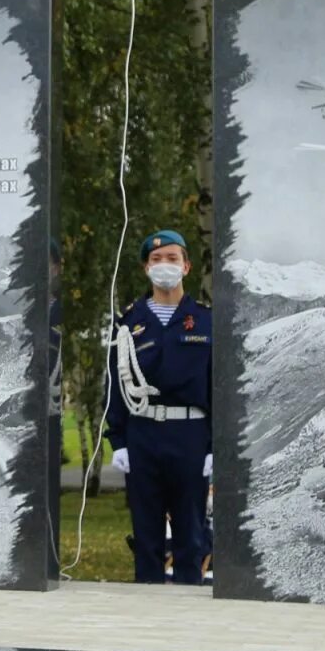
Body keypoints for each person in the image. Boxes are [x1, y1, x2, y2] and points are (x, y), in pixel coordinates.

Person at [104, 230, 213, 585]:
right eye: (156, 259)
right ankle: (146, 623)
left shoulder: (207, 320)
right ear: (145, 268)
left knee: (191, 537)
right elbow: (115, 384)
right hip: (144, 434)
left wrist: (214, 446)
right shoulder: (129, 323)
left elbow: (218, 385)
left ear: (187, 266)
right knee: (147, 538)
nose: (164, 265)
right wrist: (118, 441)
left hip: (190, 436)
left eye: (172, 258)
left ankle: (190, 624)